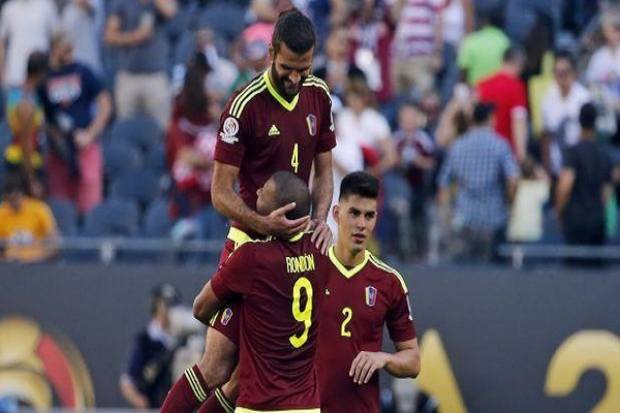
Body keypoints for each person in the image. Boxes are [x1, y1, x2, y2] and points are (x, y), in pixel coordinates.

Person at [161, 9, 335, 413]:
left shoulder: (319, 96)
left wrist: (321, 220)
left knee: (245, 381)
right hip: (251, 244)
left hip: (296, 251)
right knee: (217, 365)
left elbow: (324, 172)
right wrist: (262, 223)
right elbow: (220, 193)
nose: (296, 79)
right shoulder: (245, 107)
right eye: (289, 69)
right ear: (271, 52)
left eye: (304, 69)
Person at [184, 171, 331, 413]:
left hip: (260, 404)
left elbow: (200, 308)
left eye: (265, 191)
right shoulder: (322, 254)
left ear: (281, 213)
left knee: (213, 372)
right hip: (307, 405)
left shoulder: (252, 257)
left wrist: (237, 321)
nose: (258, 191)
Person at [317, 171, 421, 412]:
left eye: (369, 216)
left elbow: (413, 361)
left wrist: (383, 358)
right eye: (354, 213)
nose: (361, 224)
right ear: (336, 214)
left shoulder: (389, 282)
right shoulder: (310, 270)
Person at [38, 32, 112, 216]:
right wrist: (55, 137)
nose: (69, 52)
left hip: (85, 147)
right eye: (64, 48)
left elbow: (105, 105)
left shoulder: (83, 71)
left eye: (70, 47)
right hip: (59, 152)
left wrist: (90, 134)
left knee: (91, 206)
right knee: (61, 210)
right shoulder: (44, 78)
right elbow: (40, 116)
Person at [438, 102, 519, 262]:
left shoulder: (458, 145)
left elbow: (443, 183)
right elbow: (513, 179)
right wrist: (510, 203)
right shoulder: (500, 145)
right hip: (494, 218)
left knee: (464, 276)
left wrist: (447, 215)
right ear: (490, 118)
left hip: (464, 218)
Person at [166, 52, 226, 240]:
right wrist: (214, 164)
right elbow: (184, 156)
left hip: (215, 186)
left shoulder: (215, 114)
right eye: (209, 83)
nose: (214, 89)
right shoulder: (180, 114)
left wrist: (219, 119)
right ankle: (189, 224)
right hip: (189, 190)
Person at [104, 0, 178, 128]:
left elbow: (170, 11)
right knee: (125, 128)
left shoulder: (157, 4)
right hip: (128, 76)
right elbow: (109, 36)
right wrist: (136, 36)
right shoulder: (122, 3)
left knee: (162, 129)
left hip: (155, 76)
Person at [556, 103, 614, 249]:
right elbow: (606, 193)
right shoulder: (604, 154)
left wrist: (559, 213)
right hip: (597, 221)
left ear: (579, 121)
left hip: (575, 221)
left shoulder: (573, 152)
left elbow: (565, 186)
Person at [120, 283, 181, 409]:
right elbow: (127, 381)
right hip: (153, 405)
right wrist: (140, 402)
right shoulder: (145, 341)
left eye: (173, 305)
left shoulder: (182, 340)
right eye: (166, 305)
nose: (170, 310)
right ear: (155, 306)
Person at [4, 51, 48, 197]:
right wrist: (32, 180)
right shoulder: (26, 103)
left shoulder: (16, 92)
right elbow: (26, 141)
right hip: (25, 164)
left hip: (16, 159)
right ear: (40, 73)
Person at [541, 51, 591, 176]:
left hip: (579, 167)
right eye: (557, 73)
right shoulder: (548, 99)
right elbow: (546, 136)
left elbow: (589, 135)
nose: (561, 76)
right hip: (556, 165)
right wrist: (546, 168)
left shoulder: (584, 98)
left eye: (564, 72)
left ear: (573, 73)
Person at [478, 45, 528, 162]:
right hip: (505, 155)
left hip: (482, 152)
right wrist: (521, 155)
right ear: (518, 63)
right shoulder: (517, 87)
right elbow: (518, 121)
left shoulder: (482, 85)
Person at [0, 173, 58, 263]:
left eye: (15, 198)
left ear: (23, 195)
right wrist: (4, 260)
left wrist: (36, 259)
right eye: (9, 200)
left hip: (37, 265)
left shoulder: (40, 209)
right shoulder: (2, 211)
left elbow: (55, 245)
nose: (13, 203)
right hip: (9, 266)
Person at [0, 0, 58, 88]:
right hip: (15, 75)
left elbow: (56, 37)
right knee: (16, 102)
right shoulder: (9, 8)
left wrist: (54, 66)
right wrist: (1, 70)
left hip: (41, 75)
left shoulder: (47, 5)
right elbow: (2, 42)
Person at [457, 8, 509, 86]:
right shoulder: (505, 41)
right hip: (498, 91)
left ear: (486, 22)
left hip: (475, 92)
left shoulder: (472, 40)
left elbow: (463, 70)